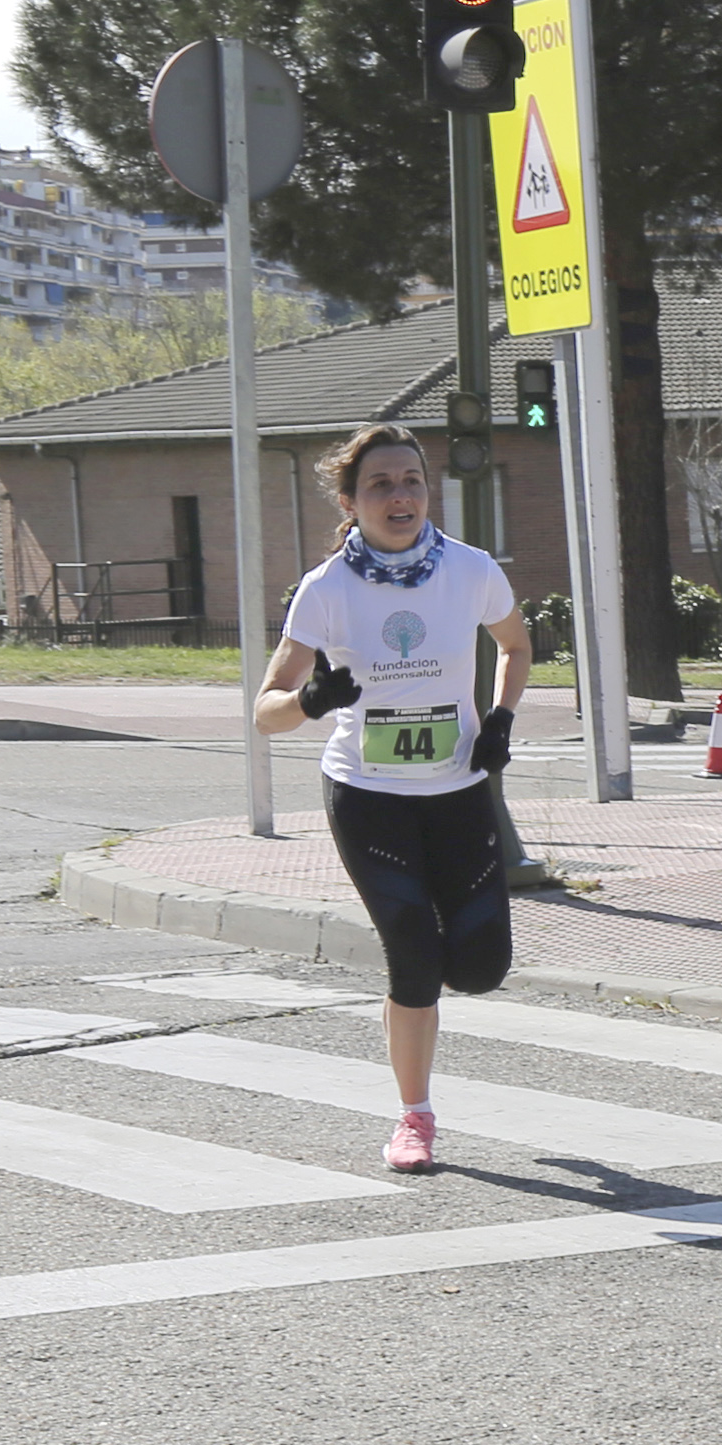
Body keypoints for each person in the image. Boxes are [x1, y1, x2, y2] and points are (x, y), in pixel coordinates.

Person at [254, 423, 531, 1173]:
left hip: (458, 792)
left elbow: (515, 645)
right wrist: (311, 700)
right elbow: (265, 712)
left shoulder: (471, 570)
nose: (400, 496)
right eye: (380, 484)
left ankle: (440, 976)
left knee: (479, 968)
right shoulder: (326, 590)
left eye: (411, 480)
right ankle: (415, 1118)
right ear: (351, 501)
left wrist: (500, 719)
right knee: (413, 957)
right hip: (369, 795)